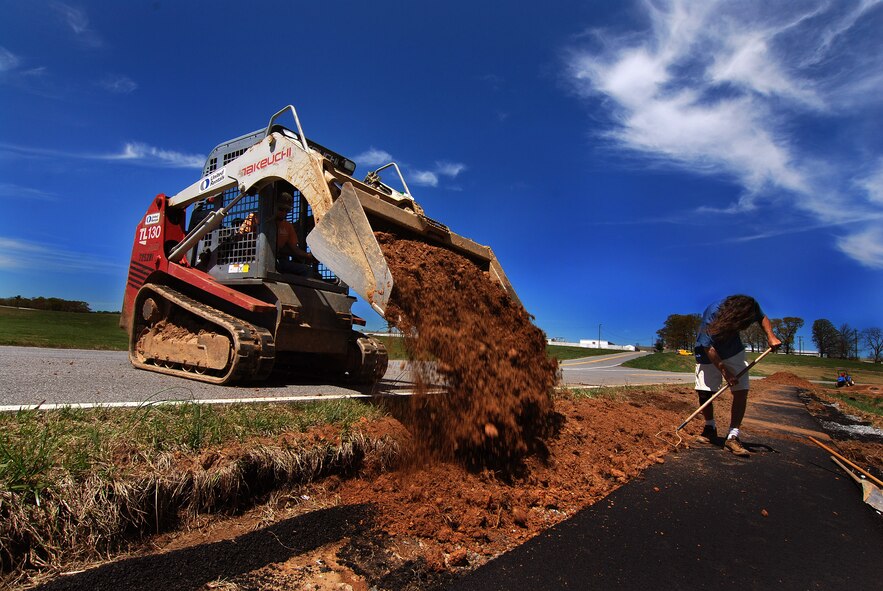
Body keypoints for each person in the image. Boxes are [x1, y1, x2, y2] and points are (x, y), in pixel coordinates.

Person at [694, 295, 782, 457]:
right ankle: (710, 428)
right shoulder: (713, 315)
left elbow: (762, 317)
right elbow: (708, 347)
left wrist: (771, 336)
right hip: (708, 351)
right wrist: (725, 373)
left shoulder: (750, 305)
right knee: (704, 392)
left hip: (733, 350)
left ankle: (733, 435)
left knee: (741, 390)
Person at [239, 191, 317, 277]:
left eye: (287, 210)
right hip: (253, 259)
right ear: (273, 206)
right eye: (281, 209)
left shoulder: (287, 226)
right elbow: (241, 239)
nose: (284, 213)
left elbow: (295, 249)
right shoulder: (255, 217)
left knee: (307, 270)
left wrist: (309, 256)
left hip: (276, 260)